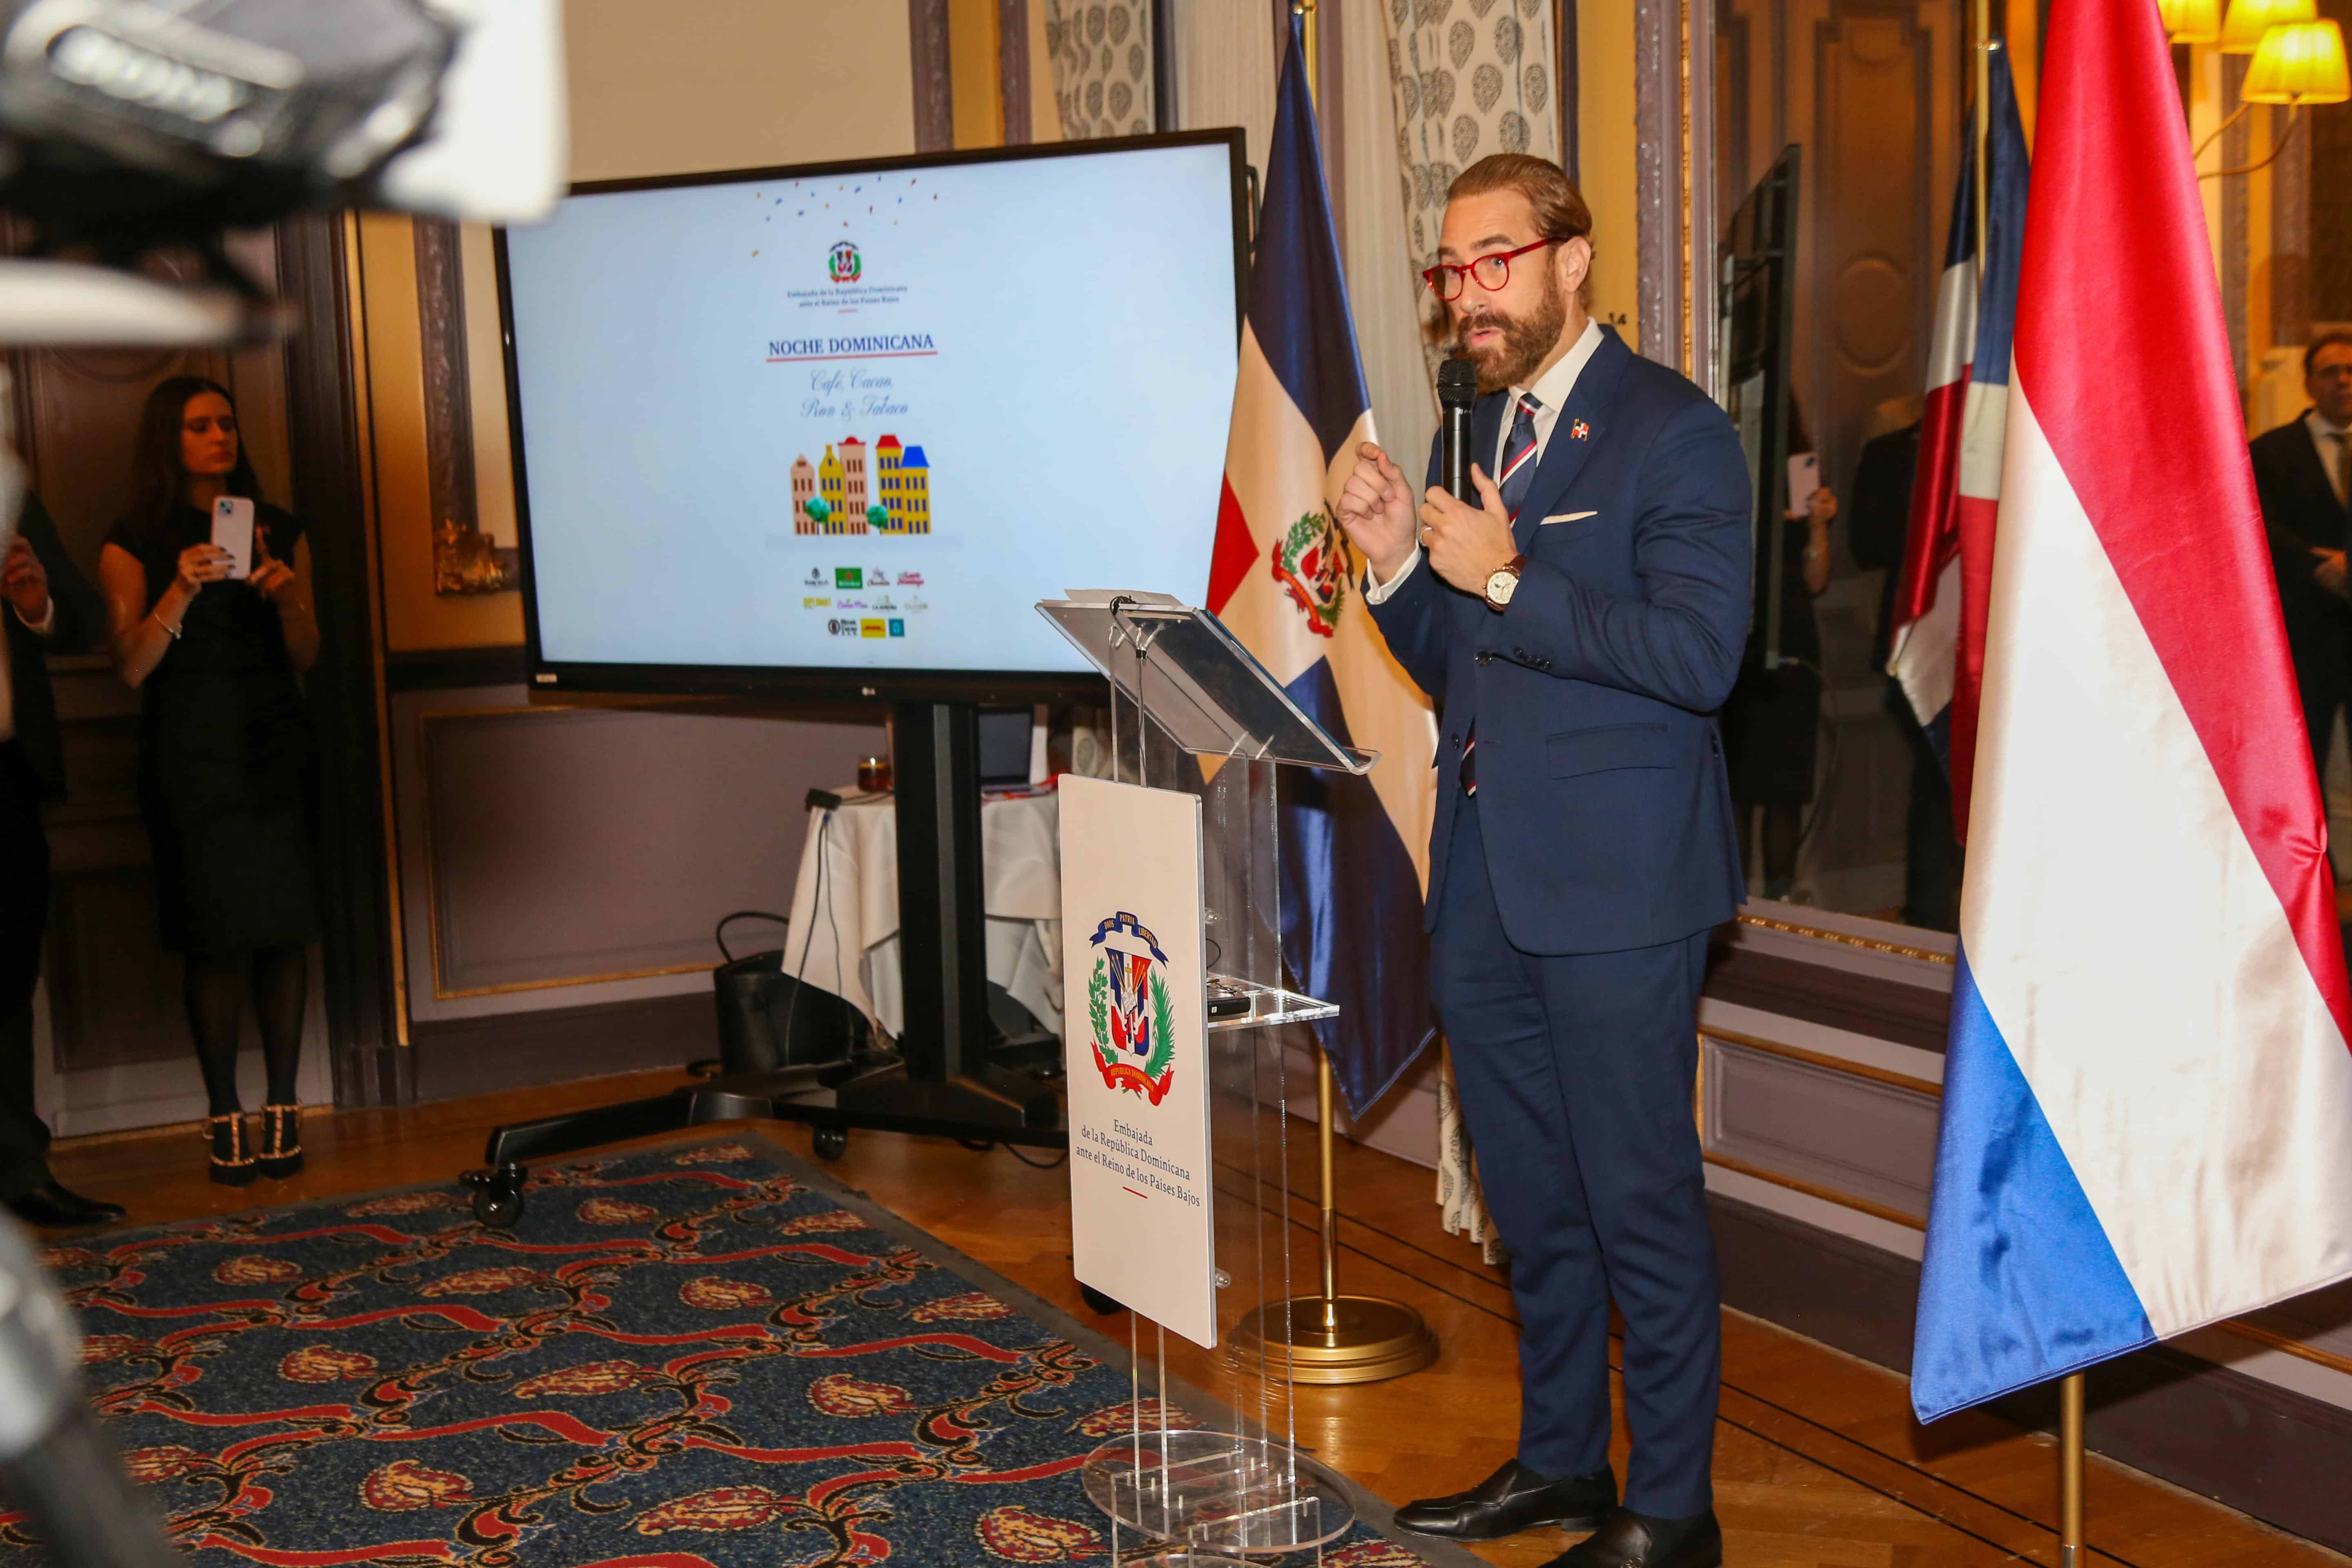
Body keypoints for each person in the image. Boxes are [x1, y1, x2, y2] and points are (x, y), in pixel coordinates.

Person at [1335, 152, 1749, 1568]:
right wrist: (1400, 566)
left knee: (1638, 1201)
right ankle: (1567, 1462)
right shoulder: (1479, 433)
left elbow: (1699, 659)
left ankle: (1673, 1512)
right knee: (1535, 1201)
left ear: (1573, 260)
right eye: (1450, 274)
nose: (1467, 300)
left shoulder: (1674, 433)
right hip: (1491, 890)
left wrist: (1510, 573)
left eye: (1492, 264)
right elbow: (1469, 669)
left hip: (1623, 891)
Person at [100, 377, 321, 1186]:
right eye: (200, 426)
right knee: (215, 935)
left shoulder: (279, 528)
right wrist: (181, 588)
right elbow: (130, 667)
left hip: (276, 749)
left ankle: (285, 1109)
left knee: (283, 931)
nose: (220, 437)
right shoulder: (133, 540)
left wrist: (289, 598)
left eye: (227, 423)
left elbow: (307, 656)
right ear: (171, 440)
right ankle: (224, 1110)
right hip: (190, 759)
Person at [1, 492, 126, 1229]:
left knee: (8, 985)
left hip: (10, 778)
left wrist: (36, 603)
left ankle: (22, 1174)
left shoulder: (9, 492)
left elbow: (81, 617)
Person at [1845, 408, 1962, 930]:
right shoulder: (1895, 453)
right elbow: (1867, 544)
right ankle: (1932, 916)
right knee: (1939, 782)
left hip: (2007, 635)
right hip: (1924, 640)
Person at [1718, 405, 1835, 900]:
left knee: (1785, 793)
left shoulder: (1798, 468)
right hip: (1735, 638)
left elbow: (1817, 580)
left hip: (1791, 645)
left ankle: (1784, 914)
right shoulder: (1714, 462)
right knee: (1737, 794)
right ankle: (1736, 918)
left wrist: (1817, 527)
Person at [2251, 331, 2352, 796]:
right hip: (2305, 634)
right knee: (2304, 764)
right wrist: (2316, 566)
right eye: (2331, 372)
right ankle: (2316, 866)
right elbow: (2258, 526)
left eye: (2351, 371)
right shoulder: (2271, 452)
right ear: (2310, 383)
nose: (2344, 381)